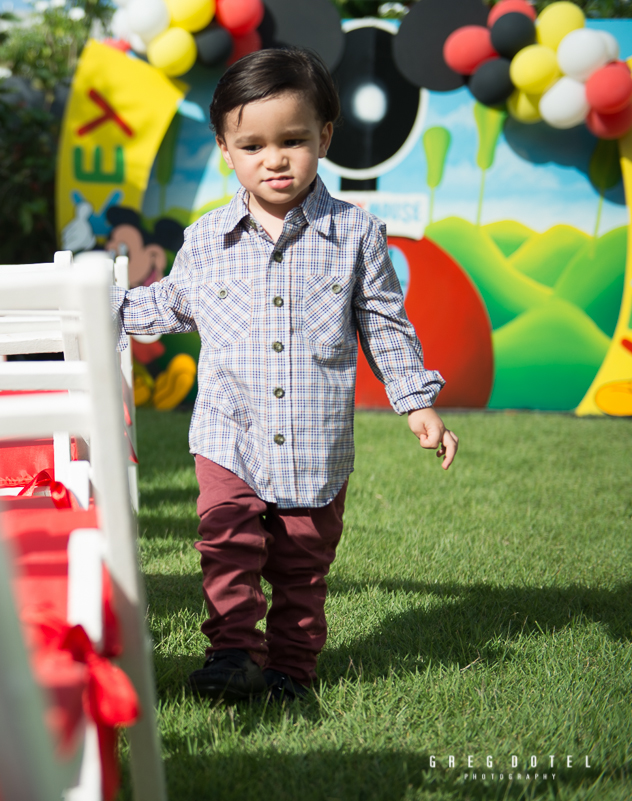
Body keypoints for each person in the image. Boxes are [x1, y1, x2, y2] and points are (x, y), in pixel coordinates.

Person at [110, 48, 459, 703]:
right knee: (226, 540)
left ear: (325, 136)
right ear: (225, 149)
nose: (274, 158)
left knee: (301, 566)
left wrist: (417, 402)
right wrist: (105, 308)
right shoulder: (207, 236)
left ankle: (291, 670)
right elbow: (171, 300)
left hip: (314, 439)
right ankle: (233, 651)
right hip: (229, 428)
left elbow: (384, 322)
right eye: (253, 144)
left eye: (293, 140)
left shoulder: (356, 234)